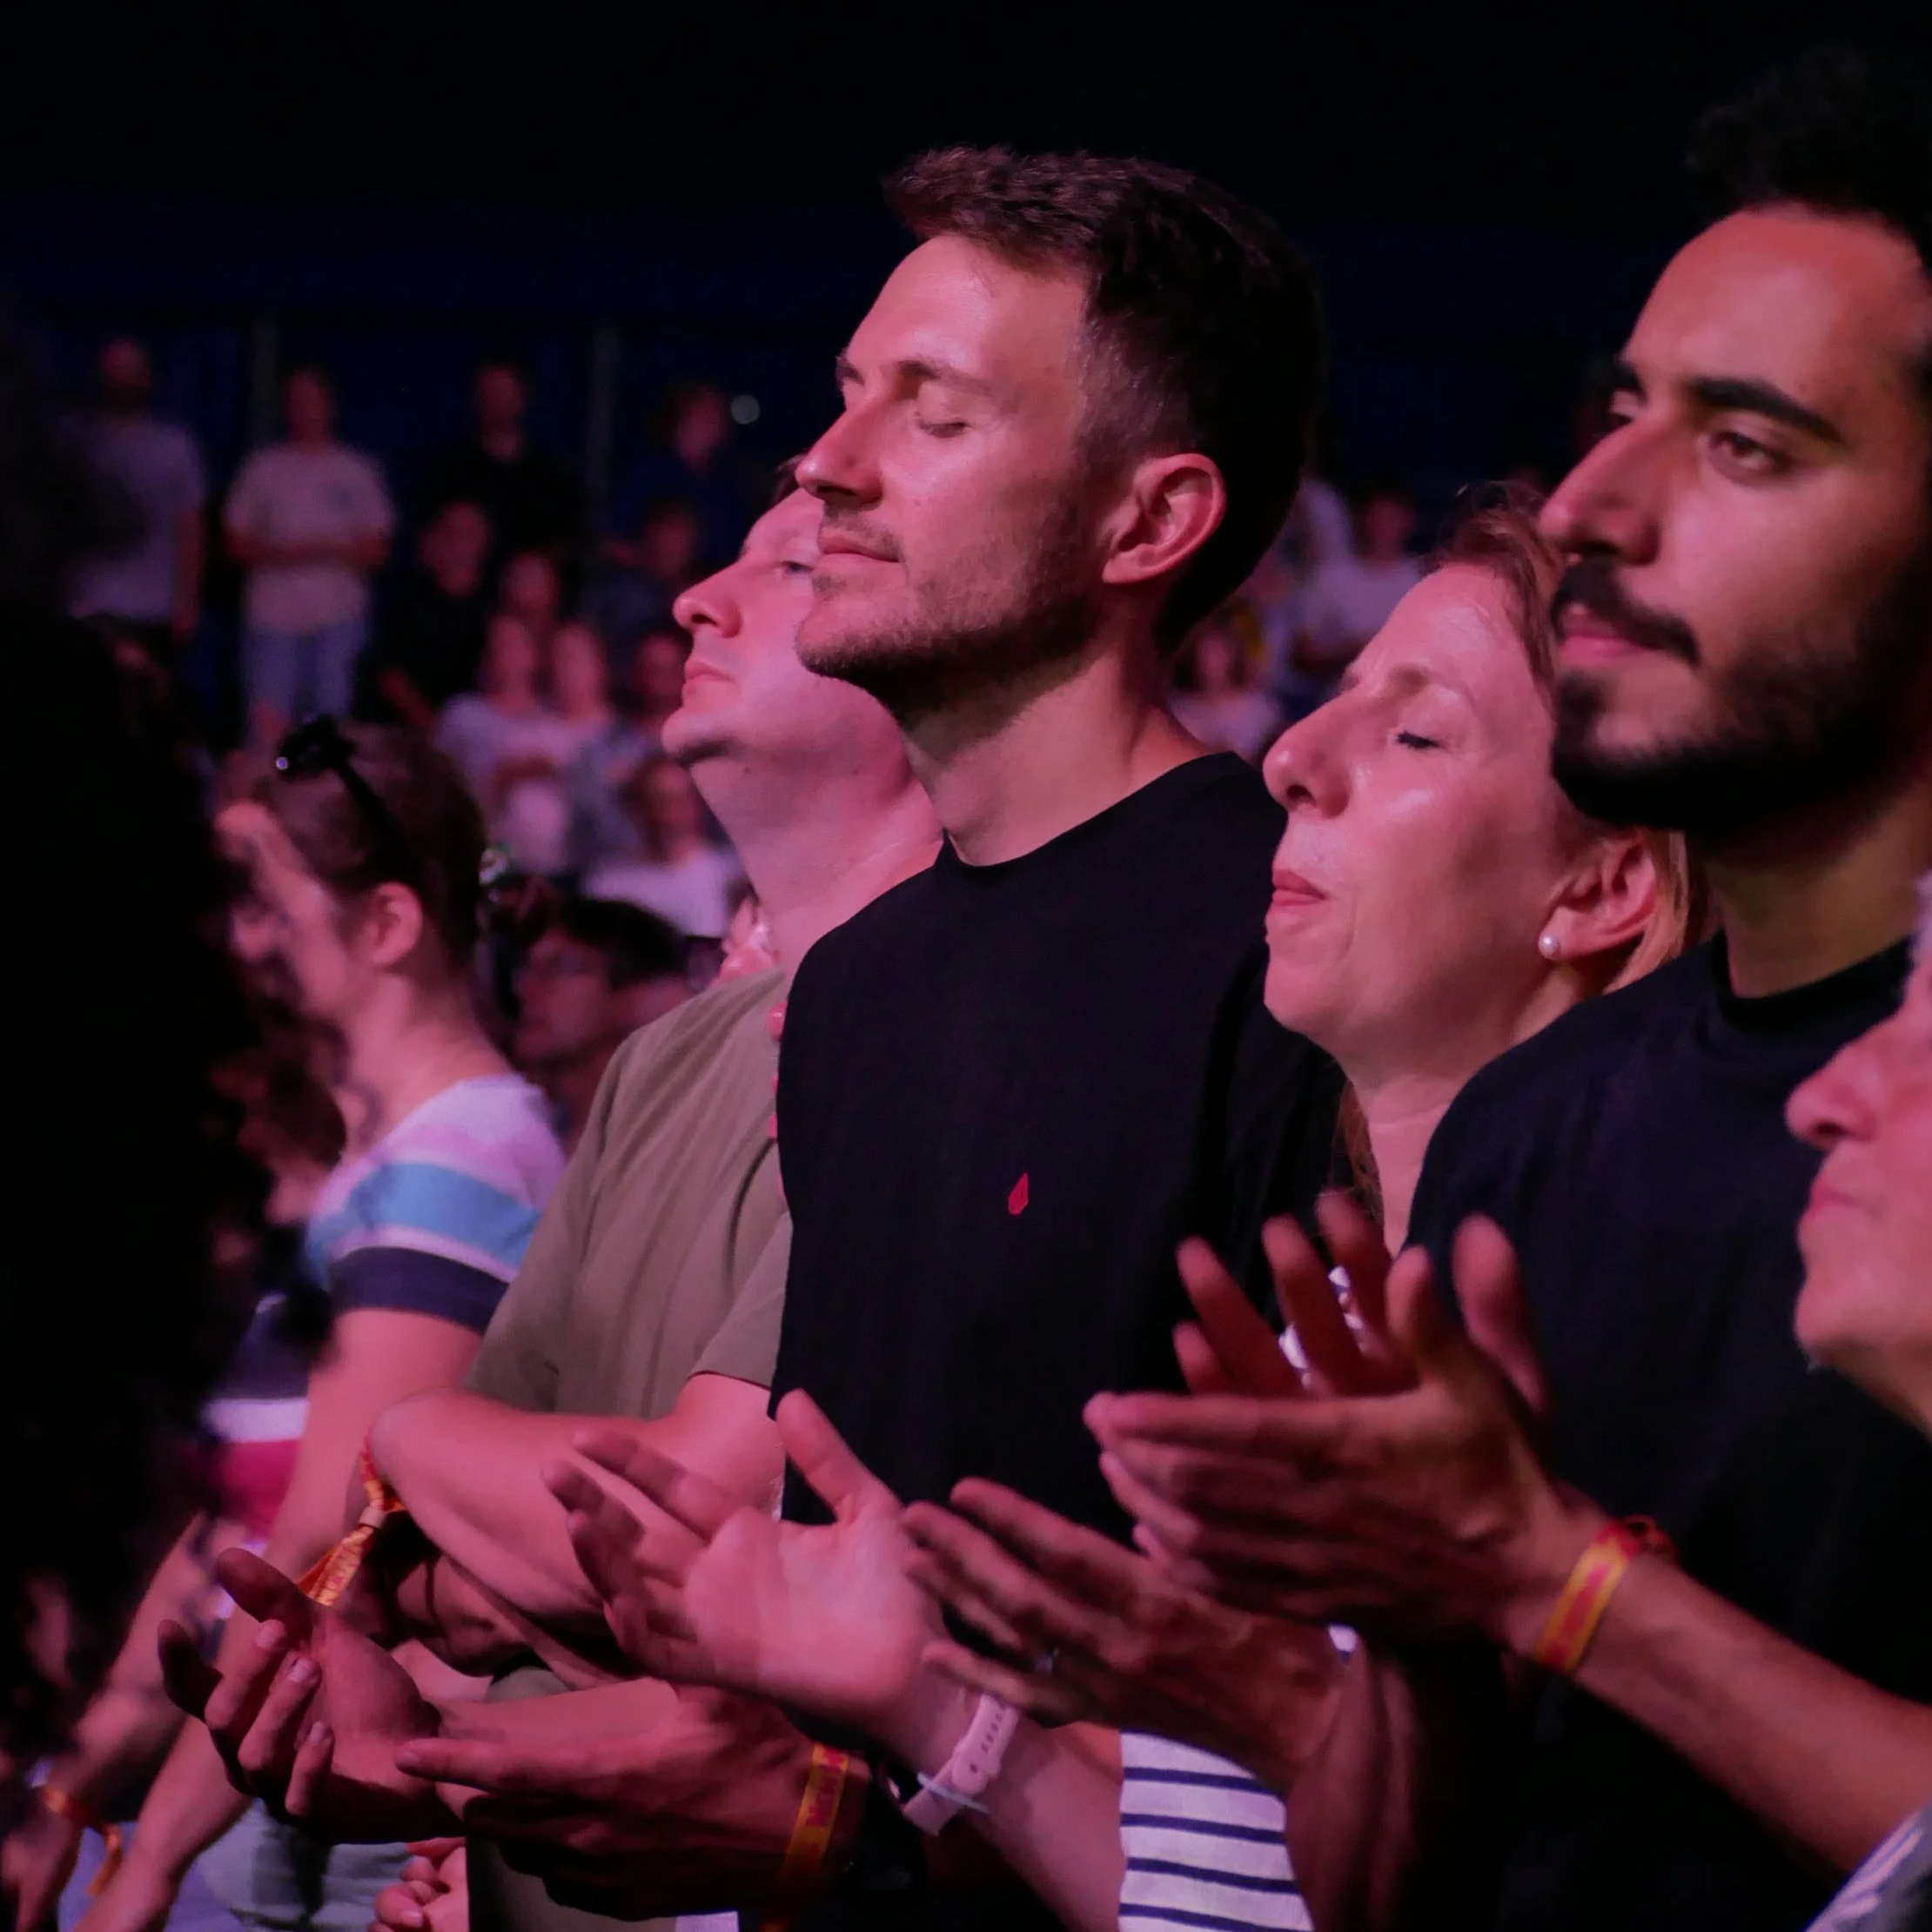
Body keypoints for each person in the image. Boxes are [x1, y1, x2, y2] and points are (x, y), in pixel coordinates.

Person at [540, 493, 1692, 1932]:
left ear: (1604, 884)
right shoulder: (1331, 1326)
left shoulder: (1602, 1333)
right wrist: (925, 1700)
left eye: (1414, 733)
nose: (1294, 756)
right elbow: (1214, 1905)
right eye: (1336, 697)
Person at [1073, 47, 1932, 1932]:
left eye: (1746, 444)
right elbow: (1392, 1895)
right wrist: (1413, 1620)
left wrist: (1553, 1577)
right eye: (1625, 411)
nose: (1601, 502)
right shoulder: (1537, 1131)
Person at [162, 480, 949, 1932]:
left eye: (788, 567)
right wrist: (474, 1613)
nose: (697, 597)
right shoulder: (663, 1062)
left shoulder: (932, 1043)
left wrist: (417, 1443)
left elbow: (681, 1526)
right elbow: (429, 1565)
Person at [74, 721, 565, 1932]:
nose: (229, 944)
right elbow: (235, 1529)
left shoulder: (461, 1163)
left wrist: (147, 1864)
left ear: (388, 923)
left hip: (349, 1838)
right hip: (272, 1807)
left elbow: (321, 1544)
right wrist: (70, 1791)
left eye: (257, 905)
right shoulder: (380, 1168)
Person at [225, 366, 394, 746]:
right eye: (296, 400)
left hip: (339, 619)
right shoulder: (263, 468)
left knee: (333, 726)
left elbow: (378, 550)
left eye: (312, 400)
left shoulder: (355, 470)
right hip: (272, 619)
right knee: (268, 728)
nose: (305, 409)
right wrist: (285, 553)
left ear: (330, 405)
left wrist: (325, 549)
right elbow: (235, 543)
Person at [512, 896, 692, 1152]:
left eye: (558, 967)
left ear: (635, 996)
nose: (525, 987)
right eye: (528, 968)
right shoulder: (531, 1131)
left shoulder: (667, 1141)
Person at [67, 337, 207, 657]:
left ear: (147, 377)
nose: (122, 380)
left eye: (130, 371)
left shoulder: (175, 447)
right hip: (86, 607)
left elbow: (190, 530)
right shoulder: (77, 444)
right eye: (115, 371)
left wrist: (187, 602)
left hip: (153, 610)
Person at [437, 613, 582, 878]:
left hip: (556, 859)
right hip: (488, 851)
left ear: (535, 654)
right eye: (499, 646)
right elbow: (441, 786)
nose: (507, 655)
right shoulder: (463, 715)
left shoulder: (557, 718)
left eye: (516, 645)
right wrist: (502, 778)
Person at [420, 358, 582, 567]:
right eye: (489, 393)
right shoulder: (450, 469)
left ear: (523, 397)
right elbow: (427, 539)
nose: (496, 401)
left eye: (504, 393)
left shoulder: (549, 474)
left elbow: (567, 541)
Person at [1285, 479, 1423, 713]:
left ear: (1408, 521)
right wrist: (1347, 655)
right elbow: (1301, 654)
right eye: (1376, 517)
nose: (1382, 526)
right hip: (1339, 704)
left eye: (1391, 517)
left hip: (1407, 708)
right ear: (1361, 519)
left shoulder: (1423, 577)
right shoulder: (1331, 576)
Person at [563, 626, 689, 875]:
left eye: (669, 670)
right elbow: (588, 827)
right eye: (651, 670)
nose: (660, 682)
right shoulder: (601, 751)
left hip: (692, 875)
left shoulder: (706, 747)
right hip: (618, 875)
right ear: (634, 674)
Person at [364, 499, 493, 731]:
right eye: (450, 532)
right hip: (409, 728)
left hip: (479, 731)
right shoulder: (407, 599)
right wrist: (432, 725)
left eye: (467, 534)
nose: (458, 542)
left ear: (485, 540)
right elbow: (388, 670)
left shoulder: (498, 602)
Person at [605, 381, 756, 573]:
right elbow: (612, 542)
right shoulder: (649, 472)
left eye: (718, 416)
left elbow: (739, 549)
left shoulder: (727, 484)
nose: (713, 424)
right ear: (681, 417)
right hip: (643, 580)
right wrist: (655, 570)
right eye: (703, 414)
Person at [581, 755, 741, 937]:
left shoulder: (732, 877)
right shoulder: (607, 884)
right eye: (662, 801)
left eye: (685, 799)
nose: (676, 813)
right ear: (637, 809)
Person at [584, 496, 703, 667]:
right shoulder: (621, 595)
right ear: (649, 536)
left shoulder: (703, 595)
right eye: (666, 532)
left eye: (681, 534)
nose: (673, 544)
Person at [1170, 607, 1281, 761]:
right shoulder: (1182, 711)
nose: (1215, 662)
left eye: (1220, 652)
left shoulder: (1261, 708)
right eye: (1208, 653)